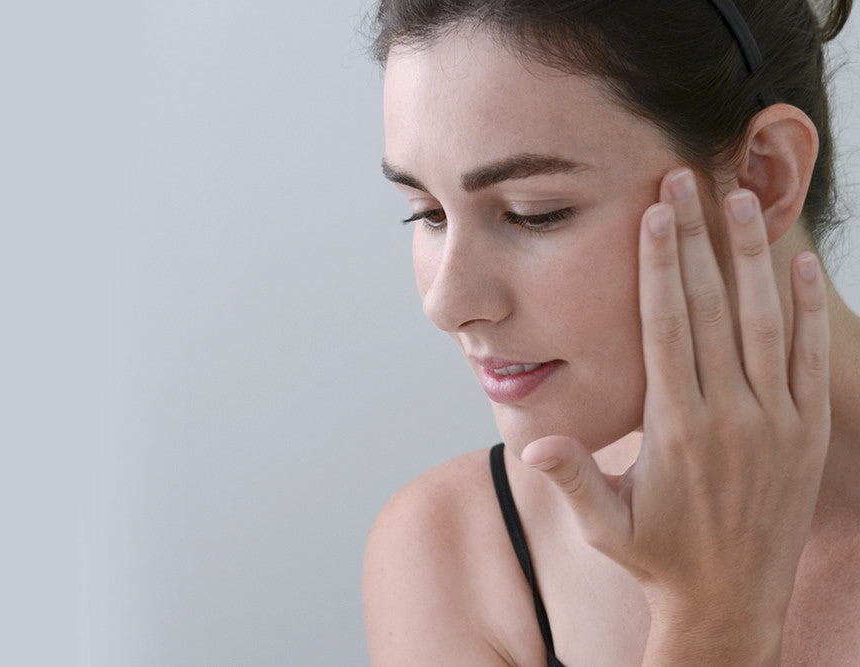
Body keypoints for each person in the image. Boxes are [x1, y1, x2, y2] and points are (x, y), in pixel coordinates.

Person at [361, 1, 860, 664]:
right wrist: (713, 618)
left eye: (532, 213)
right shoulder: (452, 557)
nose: (447, 302)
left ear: (763, 176)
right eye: (426, 214)